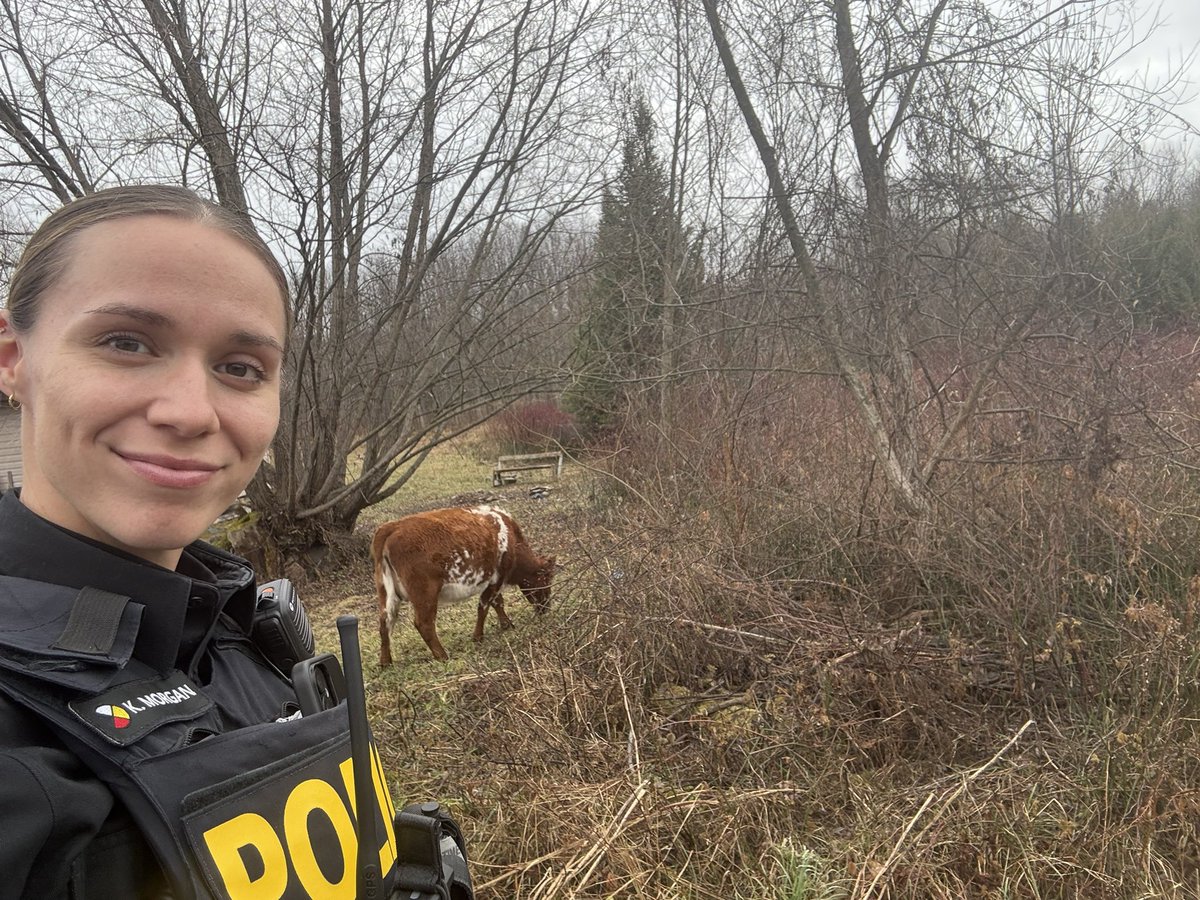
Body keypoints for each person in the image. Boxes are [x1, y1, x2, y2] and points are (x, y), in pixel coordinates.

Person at [0, 186, 472, 899]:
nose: (191, 412)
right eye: (125, 343)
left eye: (241, 368)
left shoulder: (246, 627)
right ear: (13, 358)